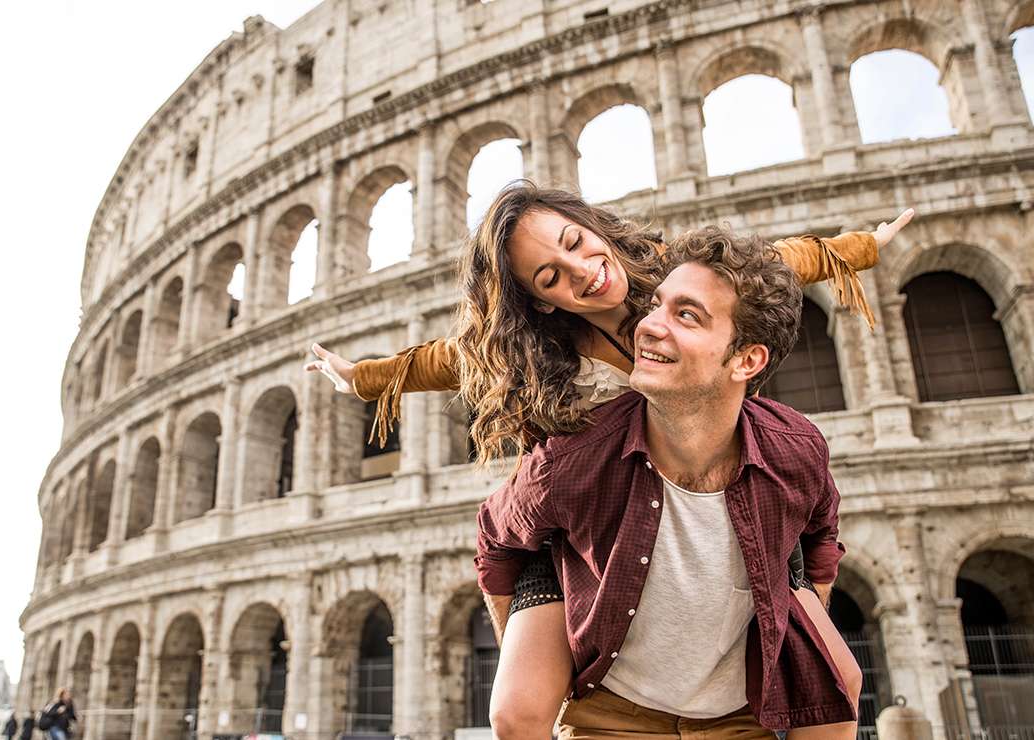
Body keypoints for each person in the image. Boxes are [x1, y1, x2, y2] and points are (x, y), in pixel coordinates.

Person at [307, 183, 911, 736]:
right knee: (515, 710)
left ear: (590, 225)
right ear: (540, 301)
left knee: (839, 675)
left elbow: (779, 264)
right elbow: (443, 359)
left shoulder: (674, 274)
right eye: (551, 276)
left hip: (729, 489)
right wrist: (360, 377)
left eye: (575, 243)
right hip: (582, 515)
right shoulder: (540, 350)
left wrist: (861, 247)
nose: (583, 273)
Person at [476, 226, 855, 736]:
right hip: (611, 710)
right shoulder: (569, 457)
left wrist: (795, 630)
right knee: (515, 713)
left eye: (687, 315)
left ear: (748, 360)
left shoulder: (796, 449)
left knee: (842, 685)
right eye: (655, 305)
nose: (648, 326)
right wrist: (519, 645)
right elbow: (496, 539)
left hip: (739, 712)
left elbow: (821, 539)